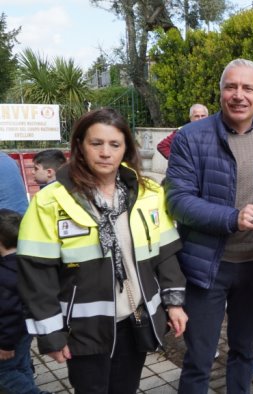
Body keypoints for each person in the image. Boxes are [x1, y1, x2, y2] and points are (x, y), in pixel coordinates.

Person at [16, 108, 188, 394]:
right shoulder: (50, 201)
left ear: (125, 150)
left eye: (114, 144)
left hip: (136, 320)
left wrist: (174, 303)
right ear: (80, 147)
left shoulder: (148, 193)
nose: (105, 153)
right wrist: (51, 334)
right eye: (96, 143)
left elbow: (166, 253)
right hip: (83, 329)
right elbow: (36, 274)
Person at [166, 59, 253, 394]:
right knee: (200, 357)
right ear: (221, 92)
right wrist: (232, 217)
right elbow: (177, 200)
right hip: (208, 265)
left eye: (247, 88)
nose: (239, 95)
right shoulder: (191, 138)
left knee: (244, 351)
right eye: (231, 87)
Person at [0, 209, 47, 394]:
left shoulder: (5, 276)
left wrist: (5, 345)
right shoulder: (24, 262)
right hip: (26, 329)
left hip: (9, 336)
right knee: (21, 364)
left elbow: (9, 313)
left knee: (5, 372)